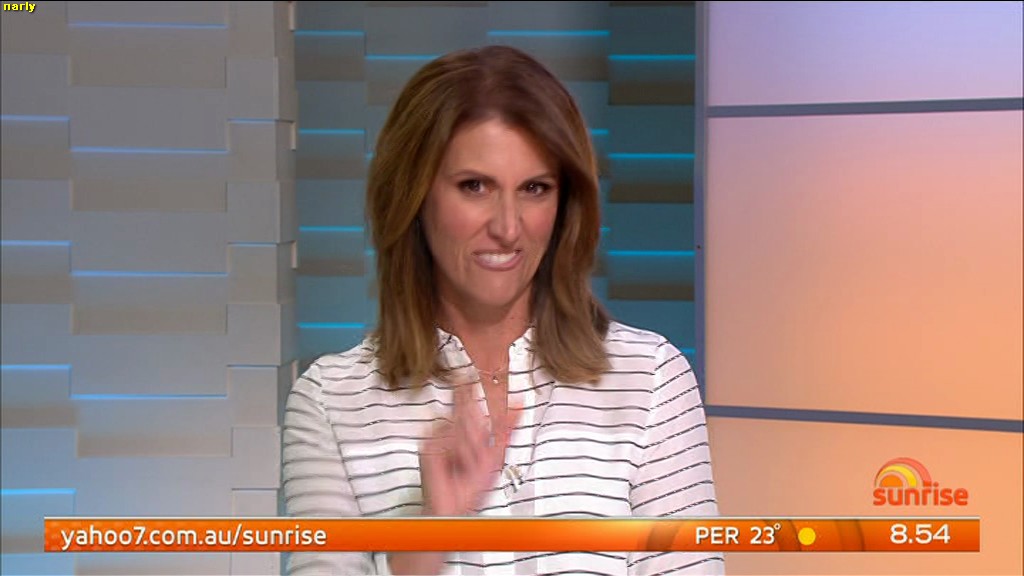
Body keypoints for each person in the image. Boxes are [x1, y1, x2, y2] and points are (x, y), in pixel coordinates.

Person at [283, 45, 722, 575]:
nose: (508, 227)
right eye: (475, 187)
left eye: (535, 188)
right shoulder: (331, 401)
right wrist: (428, 538)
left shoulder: (650, 378)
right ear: (414, 196)